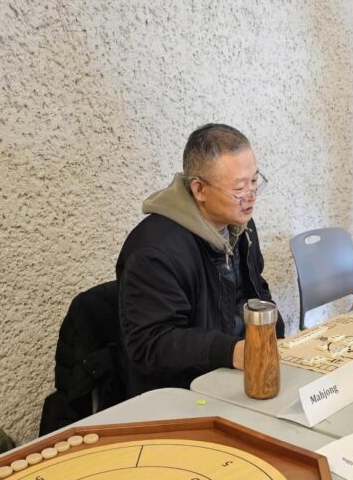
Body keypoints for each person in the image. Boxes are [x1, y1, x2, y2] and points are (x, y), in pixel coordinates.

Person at [116, 123, 283, 397]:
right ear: (199, 189)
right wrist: (232, 351)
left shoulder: (240, 228)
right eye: (239, 188)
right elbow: (152, 343)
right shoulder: (154, 251)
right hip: (181, 393)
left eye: (254, 182)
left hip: (235, 377)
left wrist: (276, 340)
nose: (250, 197)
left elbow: (257, 291)